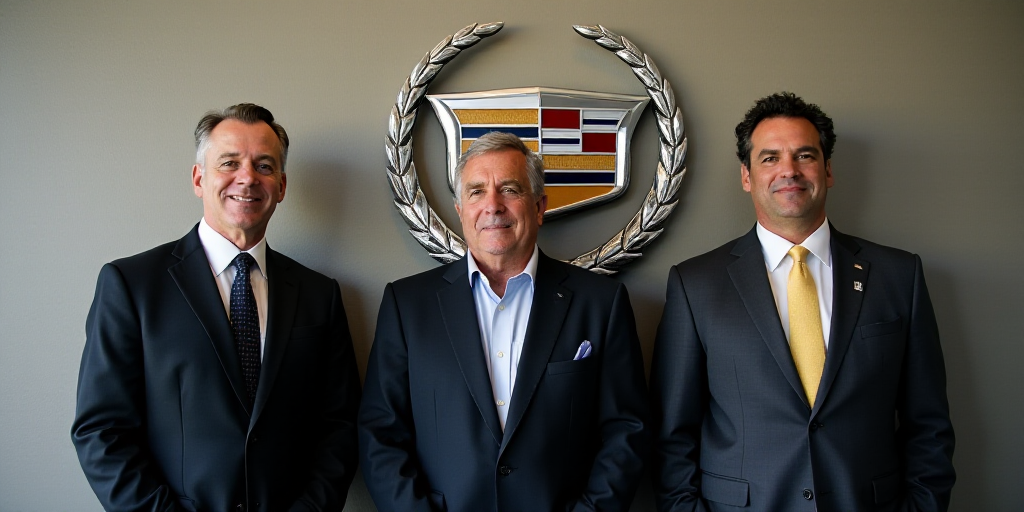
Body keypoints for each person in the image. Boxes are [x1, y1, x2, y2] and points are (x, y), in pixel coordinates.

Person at [650, 92, 955, 512]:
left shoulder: (900, 276)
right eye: (770, 158)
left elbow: (929, 424)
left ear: (827, 170)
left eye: (804, 156)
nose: (788, 171)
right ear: (747, 175)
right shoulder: (695, 284)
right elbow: (672, 434)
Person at [71, 103, 361, 512]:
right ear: (198, 178)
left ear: (281, 185)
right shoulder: (132, 285)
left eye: (264, 165)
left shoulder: (319, 294)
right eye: (229, 162)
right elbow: (101, 431)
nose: (247, 178)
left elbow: (339, 425)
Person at [358, 131, 649, 512]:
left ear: (540, 207)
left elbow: (625, 432)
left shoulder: (601, 303)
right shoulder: (407, 305)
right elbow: (381, 434)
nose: (492, 205)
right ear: (460, 210)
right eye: (476, 191)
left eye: (510, 189)